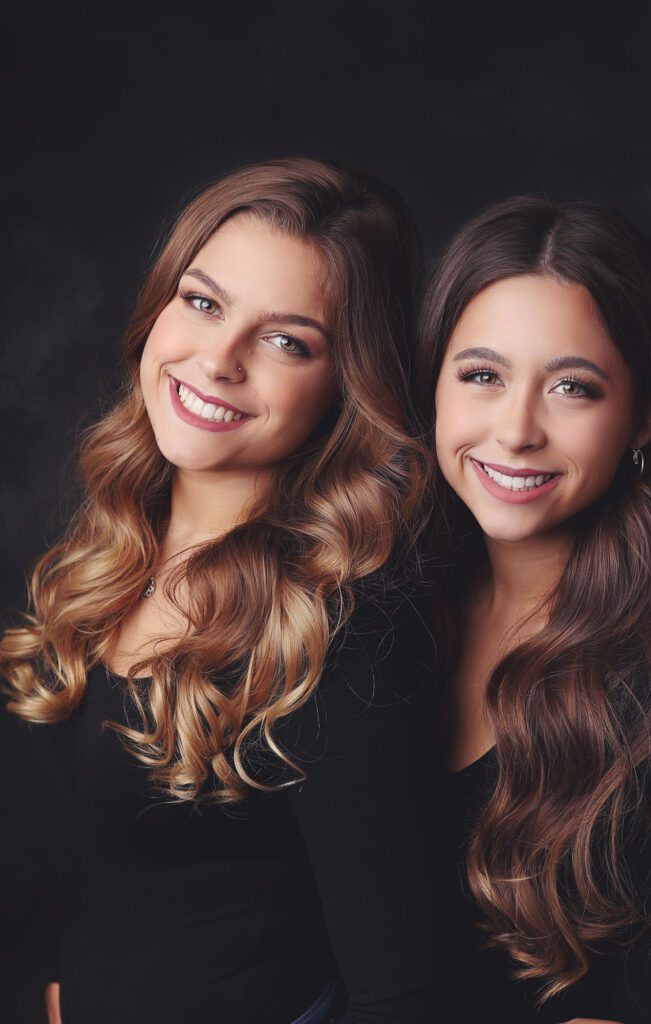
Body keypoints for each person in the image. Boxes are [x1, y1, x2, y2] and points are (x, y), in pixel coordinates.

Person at [0, 158, 437, 1024]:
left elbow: (401, 989)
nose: (219, 358)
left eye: (286, 341)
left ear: (346, 385)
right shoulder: (110, 548)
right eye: (203, 302)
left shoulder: (339, 629)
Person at [417, 196, 651, 1024]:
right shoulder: (392, 615)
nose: (516, 431)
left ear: (645, 414)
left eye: (572, 389)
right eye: (482, 376)